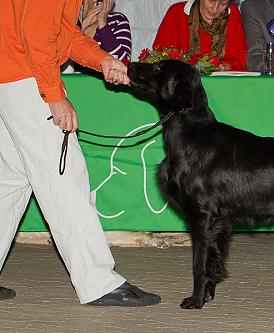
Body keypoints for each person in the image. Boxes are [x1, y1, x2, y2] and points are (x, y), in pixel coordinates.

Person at [0, 0, 161, 306]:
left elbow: (62, 35)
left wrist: (101, 59)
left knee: (10, 181)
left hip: (9, 77)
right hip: (27, 78)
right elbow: (37, 37)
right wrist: (55, 96)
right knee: (65, 178)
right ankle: (98, 282)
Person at [153, 0, 248, 71]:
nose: (214, 9)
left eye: (222, 4)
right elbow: (162, 52)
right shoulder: (177, 13)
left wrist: (228, 65)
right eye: (211, 1)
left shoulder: (233, 15)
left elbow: (241, 55)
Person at [80, 0, 132, 65]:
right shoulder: (71, 20)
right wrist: (82, 31)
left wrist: (102, 22)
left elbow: (124, 62)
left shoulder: (117, 19)